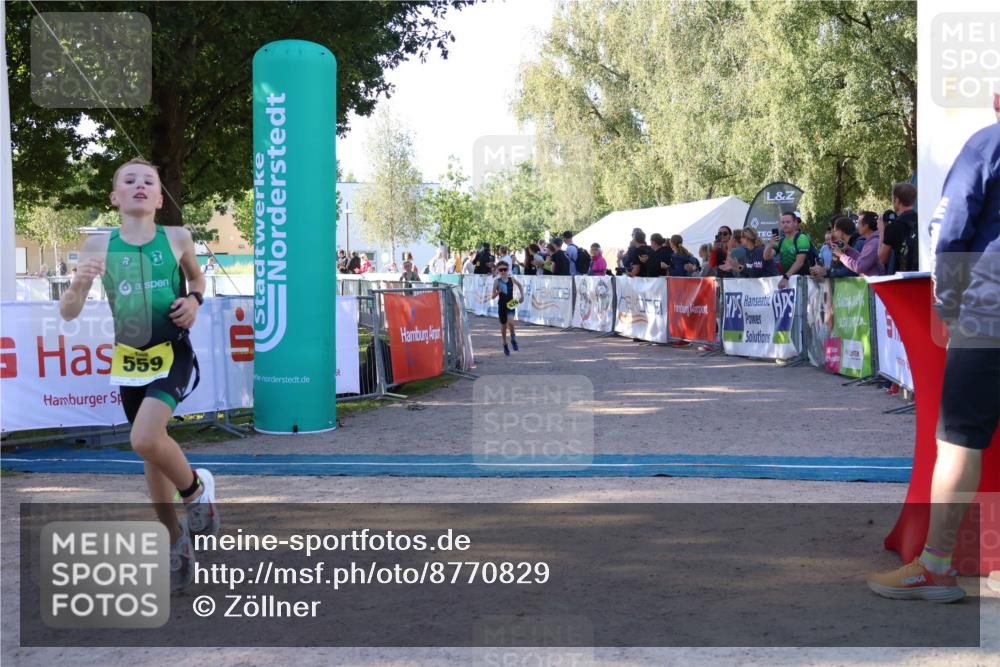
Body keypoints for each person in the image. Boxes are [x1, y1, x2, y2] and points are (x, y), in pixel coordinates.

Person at [57, 158, 219, 591]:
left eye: (150, 180)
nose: (140, 186)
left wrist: (195, 303)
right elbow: (68, 313)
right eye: (129, 181)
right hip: (129, 358)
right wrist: (75, 287)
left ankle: (195, 493)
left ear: (160, 198)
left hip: (172, 351)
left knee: (145, 438)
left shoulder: (178, 237)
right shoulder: (98, 246)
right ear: (115, 198)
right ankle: (174, 539)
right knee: (150, 451)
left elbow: (198, 279)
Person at [867, 106, 1000, 603]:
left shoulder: (987, 145)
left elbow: (951, 230)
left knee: (959, 442)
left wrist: (946, 303)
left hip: (989, 314)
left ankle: (937, 567)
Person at [765, 211, 813, 289]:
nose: (785, 225)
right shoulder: (781, 241)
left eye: (788, 222)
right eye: (783, 222)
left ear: (795, 223)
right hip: (788, 283)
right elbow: (766, 257)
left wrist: (786, 277)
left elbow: (799, 262)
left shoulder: (801, 238)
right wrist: (769, 245)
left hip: (803, 282)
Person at [879, 183, 919, 274]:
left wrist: (882, 231)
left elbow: (882, 258)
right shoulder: (922, 221)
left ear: (897, 200)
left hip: (903, 277)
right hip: (923, 275)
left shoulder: (893, 227)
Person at [831, 211, 883, 277]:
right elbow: (862, 260)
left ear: (866, 226)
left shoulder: (873, 243)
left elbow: (859, 267)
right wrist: (850, 250)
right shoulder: (871, 242)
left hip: (874, 285)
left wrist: (841, 255)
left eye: (859, 223)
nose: (857, 226)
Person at [491, 260, 524, 356]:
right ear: (498, 271)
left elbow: (520, 285)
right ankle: (505, 344)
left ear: (508, 269)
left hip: (511, 303)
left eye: (505, 269)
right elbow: (492, 296)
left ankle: (513, 339)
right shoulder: (496, 281)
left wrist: (522, 296)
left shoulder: (511, 279)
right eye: (500, 270)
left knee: (511, 322)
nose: (503, 272)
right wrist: (498, 292)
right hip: (501, 305)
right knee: (504, 327)